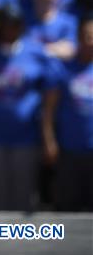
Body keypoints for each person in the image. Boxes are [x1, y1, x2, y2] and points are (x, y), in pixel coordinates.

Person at [0, 5, 57, 211]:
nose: (9, 30)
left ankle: (22, 241)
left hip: (26, 137)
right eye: (5, 25)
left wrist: (47, 133)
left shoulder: (35, 53)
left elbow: (51, 91)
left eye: (14, 25)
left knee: (24, 195)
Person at [41, 15, 93, 211]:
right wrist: (49, 141)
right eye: (87, 36)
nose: (91, 41)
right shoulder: (63, 70)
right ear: (79, 38)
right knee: (67, 208)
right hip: (69, 151)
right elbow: (48, 111)